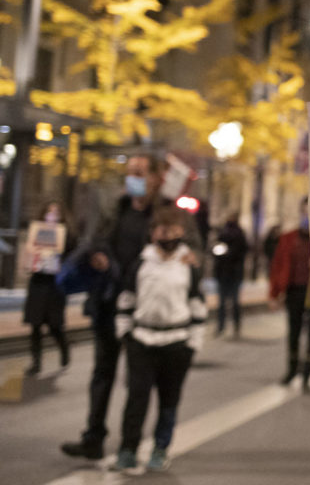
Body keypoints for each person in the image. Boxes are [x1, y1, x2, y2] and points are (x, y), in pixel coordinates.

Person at [60, 153, 199, 460]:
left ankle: (134, 445)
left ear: (155, 178)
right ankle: (93, 437)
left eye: (140, 172)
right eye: (130, 172)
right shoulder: (115, 211)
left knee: (140, 386)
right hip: (109, 304)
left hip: (147, 316)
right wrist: (96, 256)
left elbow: (195, 252)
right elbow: (93, 240)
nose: (133, 178)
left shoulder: (167, 216)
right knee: (102, 373)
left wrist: (191, 257)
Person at [113, 207, 206, 472]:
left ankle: (160, 448)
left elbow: (198, 306)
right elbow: (126, 300)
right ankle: (128, 449)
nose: (168, 235)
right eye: (163, 230)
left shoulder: (188, 266)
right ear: (153, 233)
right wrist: (126, 335)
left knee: (169, 400)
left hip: (176, 342)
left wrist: (193, 344)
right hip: (142, 340)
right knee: (137, 398)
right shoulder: (141, 264)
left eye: (174, 230)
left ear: (182, 232)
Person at [269, 197, 310, 392]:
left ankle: (307, 373)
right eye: (305, 212)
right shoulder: (288, 238)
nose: (307, 217)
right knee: (294, 332)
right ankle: (291, 369)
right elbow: (278, 266)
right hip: (295, 291)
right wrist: (274, 294)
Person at [22, 201, 75, 375]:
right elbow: (30, 254)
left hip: (55, 286)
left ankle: (64, 348)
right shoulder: (37, 232)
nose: (51, 216)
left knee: (54, 325)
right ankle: (36, 363)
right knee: (35, 325)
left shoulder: (67, 236)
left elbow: (71, 259)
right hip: (38, 283)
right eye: (49, 212)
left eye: (56, 213)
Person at [212, 212, 248, 338]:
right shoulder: (222, 233)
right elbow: (215, 250)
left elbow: (242, 252)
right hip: (223, 273)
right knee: (222, 302)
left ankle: (235, 327)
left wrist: (228, 253)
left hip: (233, 273)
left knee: (234, 302)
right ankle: (221, 326)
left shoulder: (239, 234)